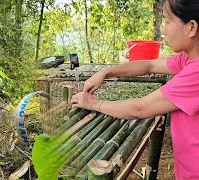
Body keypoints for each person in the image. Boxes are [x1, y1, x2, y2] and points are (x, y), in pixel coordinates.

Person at [71, 0, 199, 179]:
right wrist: (107, 72)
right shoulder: (188, 59)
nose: (163, 30)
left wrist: (94, 103)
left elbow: (140, 108)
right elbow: (150, 65)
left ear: (191, 27)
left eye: (168, 21)